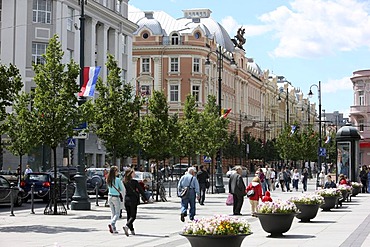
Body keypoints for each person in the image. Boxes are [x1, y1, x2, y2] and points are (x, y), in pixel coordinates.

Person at [122, 168, 148, 236]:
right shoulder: (134, 182)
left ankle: (132, 230)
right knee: (133, 216)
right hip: (133, 200)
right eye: (133, 173)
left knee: (129, 215)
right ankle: (127, 226)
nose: (134, 174)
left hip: (126, 199)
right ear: (130, 174)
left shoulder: (124, 181)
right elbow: (141, 190)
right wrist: (145, 198)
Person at [106, 166, 125, 234]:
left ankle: (114, 229)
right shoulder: (117, 180)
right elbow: (122, 189)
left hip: (109, 196)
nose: (118, 172)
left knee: (113, 213)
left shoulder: (108, 179)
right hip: (115, 197)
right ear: (115, 172)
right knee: (117, 213)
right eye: (117, 171)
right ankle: (112, 223)